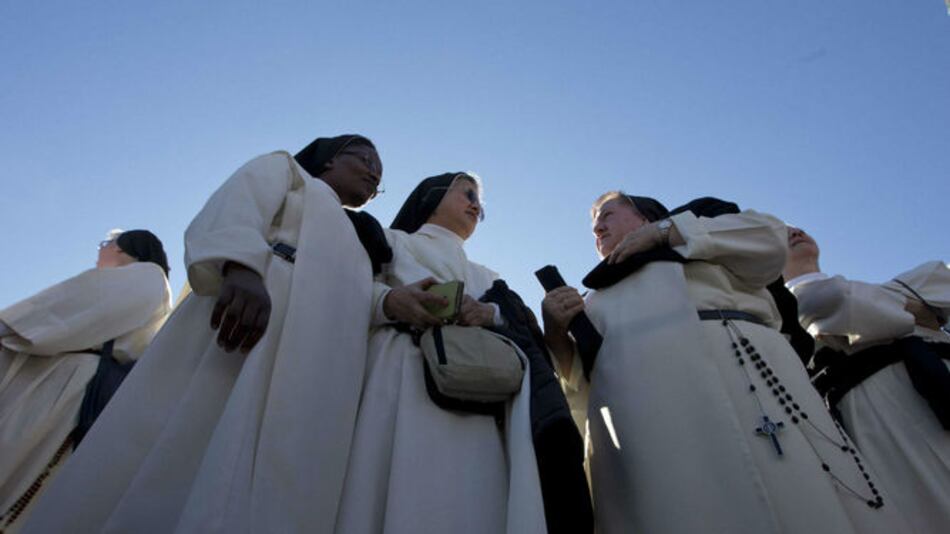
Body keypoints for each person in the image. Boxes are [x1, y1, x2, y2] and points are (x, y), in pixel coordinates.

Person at [24, 134, 390, 534]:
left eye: (381, 174)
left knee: (281, 470)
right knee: (191, 439)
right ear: (329, 158)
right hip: (248, 315)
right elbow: (237, 207)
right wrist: (241, 268)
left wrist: (391, 302)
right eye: (366, 159)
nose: (374, 173)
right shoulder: (285, 172)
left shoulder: (357, 237)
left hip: (312, 350)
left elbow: (356, 293)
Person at [541, 193, 908, 533]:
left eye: (607, 215)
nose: (598, 228)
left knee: (795, 492)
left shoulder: (697, 233)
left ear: (646, 215)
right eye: (593, 228)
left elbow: (768, 236)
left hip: (741, 374)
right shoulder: (592, 299)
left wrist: (667, 231)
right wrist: (558, 337)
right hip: (649, 420)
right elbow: (581, 386)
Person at [335, 172, 589, 534]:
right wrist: (390, 301)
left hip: (483, 400)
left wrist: (493, 314)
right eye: (466, 193)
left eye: (479, 202)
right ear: (430, 196)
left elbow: (525, 334)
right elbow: (340, 288)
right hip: (402, 382)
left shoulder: (488, 275)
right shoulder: (389, 242)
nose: (475, 204)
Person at [0, 229, 172, 532]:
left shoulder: (147, 276)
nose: (100, 251)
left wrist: (9, 325)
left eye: (105, 244)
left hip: (60, 388)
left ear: (121, 249)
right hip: (55, 379)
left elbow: (63, 311)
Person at [784, 226, 950, 533]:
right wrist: (911, 309)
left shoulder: (911, 284)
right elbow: (826, 303)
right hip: (881, 424)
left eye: (796, 228)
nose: (793, 231)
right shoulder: (783, 327)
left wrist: (883, 307)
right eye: (777, 235)